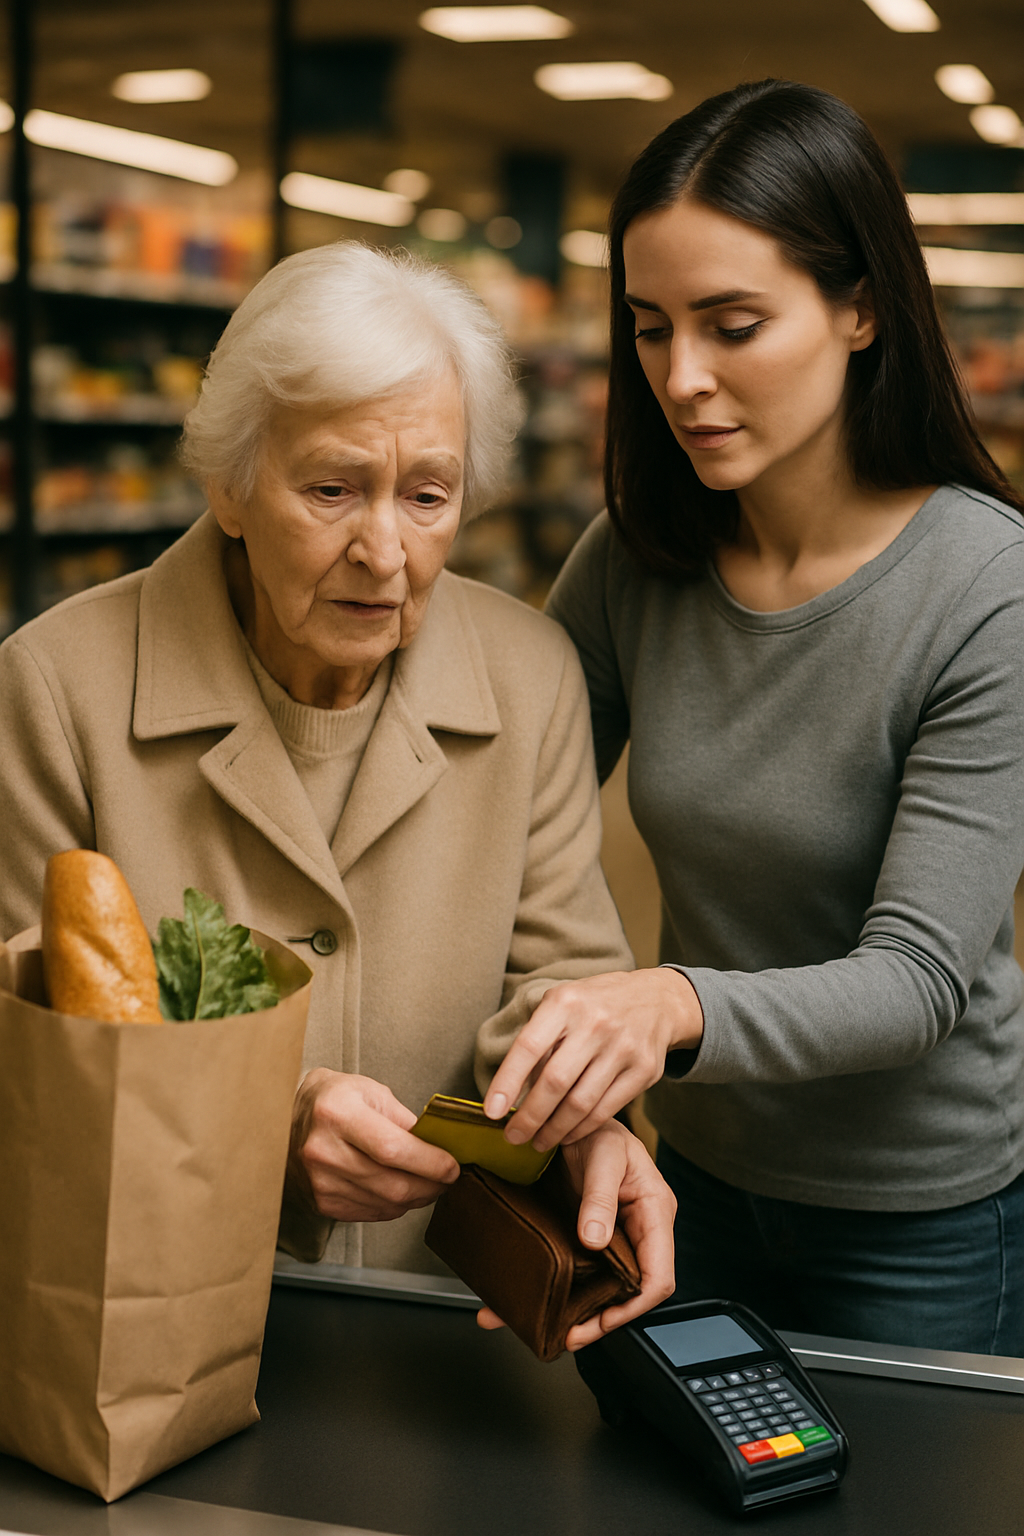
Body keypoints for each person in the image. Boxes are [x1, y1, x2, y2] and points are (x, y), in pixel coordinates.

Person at [0, 241, 675, 1350]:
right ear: (229, 483)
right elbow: (30, 1069)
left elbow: (561, 975)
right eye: (331, 489)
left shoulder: (531, 676)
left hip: (449, 1326)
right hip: (147, 1320)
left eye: (427, 495)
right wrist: (268, 1125)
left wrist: (585, 1120)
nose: (385, 551)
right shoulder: (56, 689)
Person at [477, 78, 1024, 1353]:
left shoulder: (985, 587)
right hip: (690, 1180)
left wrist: (664, 1004)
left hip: (922, 1223)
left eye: (733, 325)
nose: (681, 378)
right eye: (649, 328)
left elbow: (916, 981)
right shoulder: (635, 558)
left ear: (860, 310)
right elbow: (507, 822)